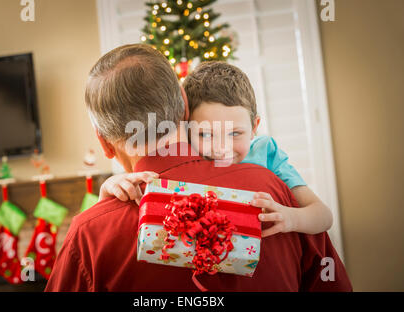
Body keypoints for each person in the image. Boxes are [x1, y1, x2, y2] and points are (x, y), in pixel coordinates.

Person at [45, 44, 352, 291]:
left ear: (104, 143)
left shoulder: (89, 234)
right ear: (184, 101)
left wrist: (100, 219)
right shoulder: (275, 194)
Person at [100, 61, 333, 238]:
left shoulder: (266, 153)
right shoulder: (183, 155)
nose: (221, 148)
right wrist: (112, 183)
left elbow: (323, 215)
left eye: (235, 133)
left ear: (254, 127)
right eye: (206, 134)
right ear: (185, 127)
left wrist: (292, 219)